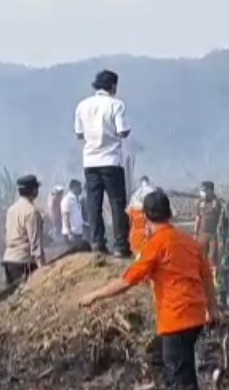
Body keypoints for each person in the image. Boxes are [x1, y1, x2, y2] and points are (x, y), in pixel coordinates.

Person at [78, 190, 219, 390]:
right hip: (195, 315)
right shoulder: (188, 242)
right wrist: (212, 309)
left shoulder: (156, 245)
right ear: (170, 214)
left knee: (177, 368)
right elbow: (207, 277)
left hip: (176, 316)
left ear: (145, 216)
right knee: (164, 358)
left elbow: (127, 280)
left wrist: (94, 295)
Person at [75, 69, 132, 258]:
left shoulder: (82, 106)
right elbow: (122, 131)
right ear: (113, 86)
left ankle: (98, 243)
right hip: (110, 160)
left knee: (94, 204)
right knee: (117, 203)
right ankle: (120, 245)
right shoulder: (116, 105)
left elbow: (79, 134)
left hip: (90, 161)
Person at [3, 175, 46, 285]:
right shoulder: (32, 212)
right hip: (24, 262)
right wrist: (43, 269)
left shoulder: (11, 210)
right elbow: (35, 244)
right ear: (34, 190)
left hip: (9, 259)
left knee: (14, 298)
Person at [194, 181, 224, 263]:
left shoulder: (217, 203)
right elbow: (198, 218)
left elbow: (221, 219)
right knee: (200, 256)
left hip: (213, 234)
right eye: (202, 191)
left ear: (210, 190)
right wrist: (195, 233)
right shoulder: (200, 202)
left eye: (204, 190)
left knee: (212, 258)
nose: (202, 193)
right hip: (202, 233)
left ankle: (212, 274)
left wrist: (220, 235)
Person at [127, 176, 157, 256]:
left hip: (136, 242)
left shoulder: (135, 194)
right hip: (153, 244)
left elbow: (130, 220)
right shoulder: (154, 192)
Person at [60, 178, 87, 250]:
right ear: (73, 188)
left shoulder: (76, 199)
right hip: (72, 233)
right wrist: (69, 233)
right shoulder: (67, 200)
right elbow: (66, 216)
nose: (81, 189)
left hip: (78, 232)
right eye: (79, 187)